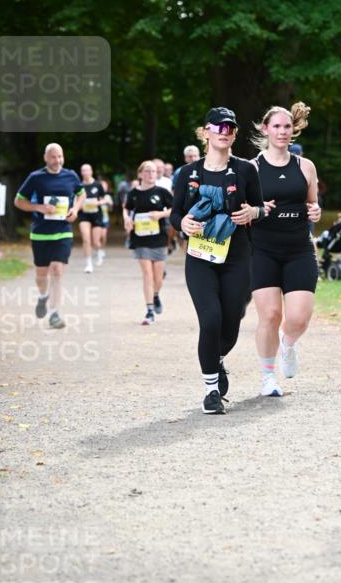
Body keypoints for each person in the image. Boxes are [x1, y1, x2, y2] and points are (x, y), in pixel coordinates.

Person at [171, 108, 264, 415]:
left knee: (231, 322)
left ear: (234, 135)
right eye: (219, 126)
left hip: (237, 255)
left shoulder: (246, 170)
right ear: (206, 132)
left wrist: (251, 212)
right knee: (210, 319)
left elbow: (260, 208)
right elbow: (175, 213)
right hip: (200, 255)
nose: (225, 131)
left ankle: (216, 358)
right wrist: (183, 223)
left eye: (231, 127)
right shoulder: (188, 173)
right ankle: (211, 390)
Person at [250, 103, 321, 396]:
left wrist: (316, 211)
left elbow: (313, 204)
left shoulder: (305, 166)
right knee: (269, 316)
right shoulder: (251, 168)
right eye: (276, 126)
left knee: (299, 318)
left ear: (294, 130)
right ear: (266, 129)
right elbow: (240, 211)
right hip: (262, 249)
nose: (282, 132)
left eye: (287, 126)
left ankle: (288, 345)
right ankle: (268, 377)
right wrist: (256, 209)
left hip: (299, 248)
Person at [14, 143, 84, 329]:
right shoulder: (36, 178)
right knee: (41, 275)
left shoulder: (71, 176)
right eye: (53, 157)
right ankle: (43, 296)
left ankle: (54, 314)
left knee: (57, 270)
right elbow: (18, 201)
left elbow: (81, 193)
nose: (57, 160)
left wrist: (75, 210)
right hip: (41, 233)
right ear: (46, 158)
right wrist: (39, 207)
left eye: (60, 156)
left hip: (63, 231)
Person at [123, 161, 173, 325]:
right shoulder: (133, 193)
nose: (151, 174)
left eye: (153, 171)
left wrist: (160, 215)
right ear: (140, 174)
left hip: (158, 238)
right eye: (147, 171)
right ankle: (149, 310)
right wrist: (127, 220)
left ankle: (156, 294)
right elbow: (127, 208)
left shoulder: (162, 191)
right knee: (147, 274)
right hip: (140, 238)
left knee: (158, 278)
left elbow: (174, 209)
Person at [77, 163, 105, 273]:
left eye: (87, 170)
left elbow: (106, 199)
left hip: (96, 215)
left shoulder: (98, 185)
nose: (85, 173)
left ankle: (99, 251)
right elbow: (75, 200)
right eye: (83, 171)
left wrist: (97, 203)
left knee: (96, 241)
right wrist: (79, 205)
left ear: (91, 171)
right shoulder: (79, 186)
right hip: (84, 215)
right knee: (85, 239)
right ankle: (88, 264)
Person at [96, 175, 113, 262]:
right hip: (97, 219)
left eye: (105, 186)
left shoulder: (107, 197)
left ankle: (102, 249)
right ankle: (98, 250)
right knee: (97, 237)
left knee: (103, 236)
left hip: (105, 219)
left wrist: (108, 202)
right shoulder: (95, 196)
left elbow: (111, 207)